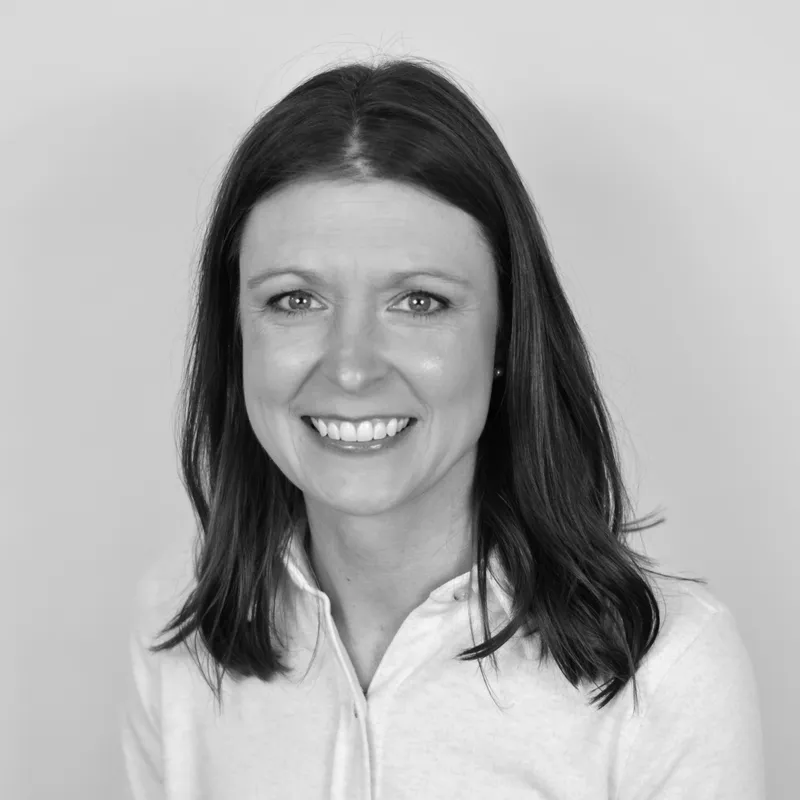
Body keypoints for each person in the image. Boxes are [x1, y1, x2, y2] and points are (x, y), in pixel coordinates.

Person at [120, 56, 765, 799]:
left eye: (419, 301)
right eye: (295, 300)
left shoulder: (668, 669)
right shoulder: (174, 629)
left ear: (505, 336)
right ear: (237, 336)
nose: (352, 367)